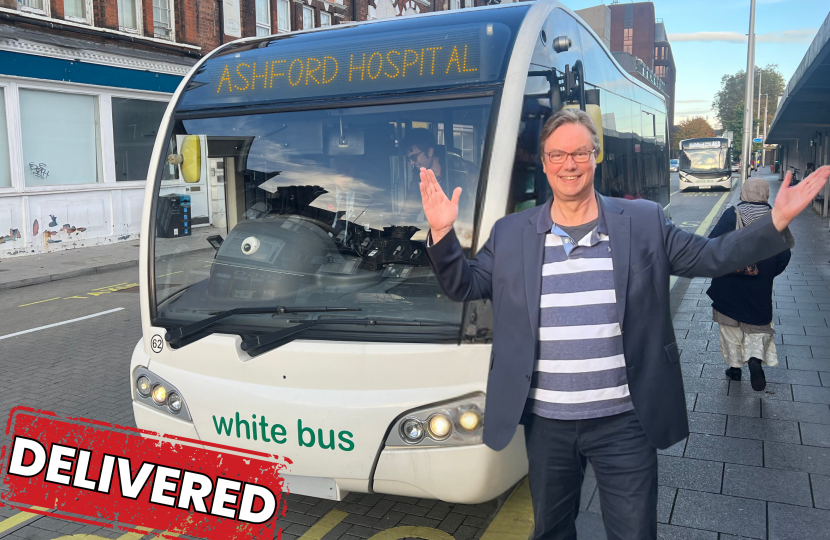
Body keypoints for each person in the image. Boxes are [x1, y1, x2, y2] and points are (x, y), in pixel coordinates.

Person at [419, 108, 829, 540]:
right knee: (551, 530)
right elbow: (465, 285)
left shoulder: (644, 222)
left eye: (579, 152)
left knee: (634, 533)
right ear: (544, 162)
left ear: (595, 157)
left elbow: (712, 257)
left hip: (624, 421)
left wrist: (776, 220)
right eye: (557, 155)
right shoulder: (511, 233)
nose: (569, 164)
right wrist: (443, 234)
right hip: (546, 423)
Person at [707, 179, 791, 391]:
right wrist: (768, 274)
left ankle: (735, 368)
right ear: (765, 193)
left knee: (729, 325)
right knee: (757, 325)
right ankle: (754, 360)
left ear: (744, 192)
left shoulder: (731, 214)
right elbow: (784, 254)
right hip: (759, 286)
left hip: (728, 282)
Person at [402, 128, 478, 218]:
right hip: (437, 229)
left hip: (464, 228)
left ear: (430, 152)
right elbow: (410, 209)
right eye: (408, 159)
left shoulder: (463, 169)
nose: (411, 163)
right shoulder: (419, 176)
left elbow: (477, 207)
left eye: (414, 157)